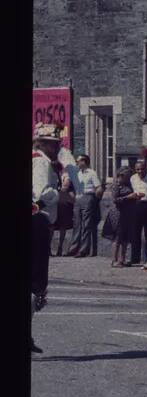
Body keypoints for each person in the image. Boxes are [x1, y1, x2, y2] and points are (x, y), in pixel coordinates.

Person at [31, 123, 65, 354]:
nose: (56, 148)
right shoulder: (41, 162)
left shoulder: (37, 160)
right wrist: (60, 191)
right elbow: (42, 193)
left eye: (57, 144)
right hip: (38, 220)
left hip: (36, 221)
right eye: (52, 144)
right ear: (41, 143)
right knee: (35, 280)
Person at [67, 154, 103, 257]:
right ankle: (73, 248)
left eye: (78, 161)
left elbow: (98, 187)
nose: (77, 163)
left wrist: (95, 199)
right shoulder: (77, 173)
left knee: (86, 224)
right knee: (77, 224)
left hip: (88, 197)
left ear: (84, 162)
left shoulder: (92, 173)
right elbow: (71, 187)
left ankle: (83, 250)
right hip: (78, 198)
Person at [108, 166, 140, 267]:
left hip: (128, 213)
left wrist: (136, 198)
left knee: (126, 237)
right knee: (117, 237)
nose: (129, 178)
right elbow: (115, 199)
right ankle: (114, 260)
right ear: (122, 176)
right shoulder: (116, 185)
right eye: (127, 176)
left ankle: (122, 259)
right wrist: (128, 197)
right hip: (118, 213)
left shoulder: (129, 185)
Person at [51, 171, 75, 256]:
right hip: (54, 201)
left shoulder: (66, 174)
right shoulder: (51, 173)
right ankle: (49, 248)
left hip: (62, 202)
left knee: (62, 225)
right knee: (52, 225)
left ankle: (60, 248)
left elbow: (65, 187)